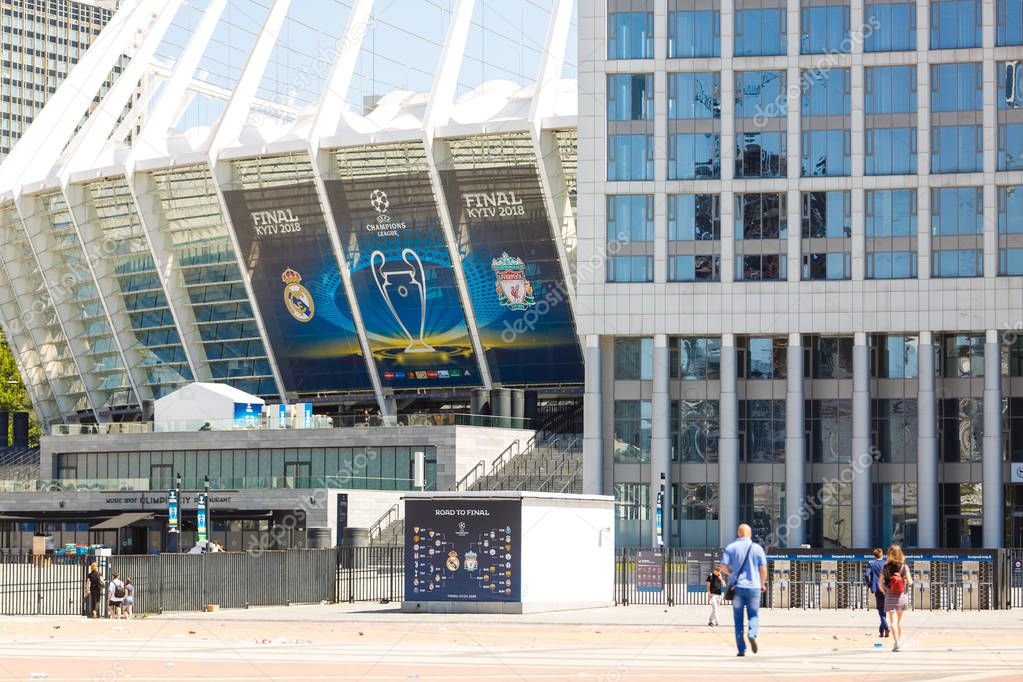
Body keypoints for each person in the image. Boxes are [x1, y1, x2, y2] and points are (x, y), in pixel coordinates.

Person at [720, 523, 768, 657]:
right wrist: (762, 584)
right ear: (750, 534)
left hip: (738, 588)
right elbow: (763, 569)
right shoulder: (757, 548)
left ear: (738, 533)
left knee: (738, 619)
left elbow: (722, 566)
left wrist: (731, 573)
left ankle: (741, 649)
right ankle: (752, 634)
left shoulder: (731, 547)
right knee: (753, 615)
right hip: (754, 588)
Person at [878, 544, 913, 651]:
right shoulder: (904, 567)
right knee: (899, 622)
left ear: (889, 554)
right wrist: (904, 579)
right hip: (901, 596)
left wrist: (885, 592)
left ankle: (896, 643)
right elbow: (910, 582)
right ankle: (899, 642)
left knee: (893, 621)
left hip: (890, 595)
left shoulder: (885, 567)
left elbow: (880, 583)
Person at [864, 548, 890, 638]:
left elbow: (866, 575)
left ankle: (886, 627)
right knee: (884, 610)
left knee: (880, 610)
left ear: (874, 556)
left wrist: (870, 584)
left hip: (877, 589)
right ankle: (881, 632)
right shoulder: (886, 564)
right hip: (886, 589)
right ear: (882, 555)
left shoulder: (871, 564)